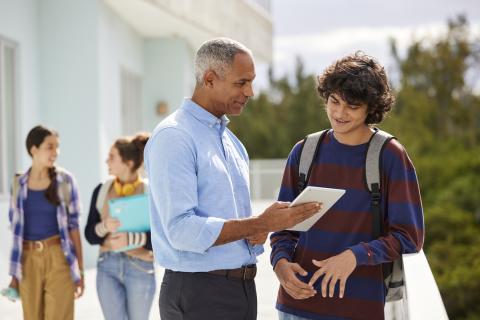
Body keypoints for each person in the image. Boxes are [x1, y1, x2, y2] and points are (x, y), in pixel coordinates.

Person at [144, 37, 321, 320]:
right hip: (198, 294)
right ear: (210, 79)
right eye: (241, 82)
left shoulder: (233, 143)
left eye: (251, 81)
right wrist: (261, 223)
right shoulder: (174, 137)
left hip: (240, 290)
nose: (250, 92)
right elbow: (180, 230)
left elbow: (234, 222)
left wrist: (257, 231)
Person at [270, 52, 425, 320]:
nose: (339, 113)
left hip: (359, 309)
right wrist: (280, 264)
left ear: (371, 108)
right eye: (334, 101)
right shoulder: (305, 151)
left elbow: (409, 237)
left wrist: (356, 256)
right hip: (297, 306)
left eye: (352, 106)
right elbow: (284, 228)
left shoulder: (390, 156)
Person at [6, 125, 84, 320]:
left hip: (58, 257)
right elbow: (15, 230)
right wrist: (15, 274)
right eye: (50, 147)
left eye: (57, 147)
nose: (55, 152)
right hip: (27, 260)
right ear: (34, 149)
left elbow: (74, 228)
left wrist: (80, 270)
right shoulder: (18, 184)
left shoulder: (65, 181)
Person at [84, 132, 155, 320]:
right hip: (107, 266)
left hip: (141, 267)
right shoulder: (101, 190)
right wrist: (105, 226)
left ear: (129, 163)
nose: (107, 161)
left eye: (112, 157)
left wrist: (131, 239)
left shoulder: (150, 192)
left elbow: (161, 237)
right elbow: (90, 235)